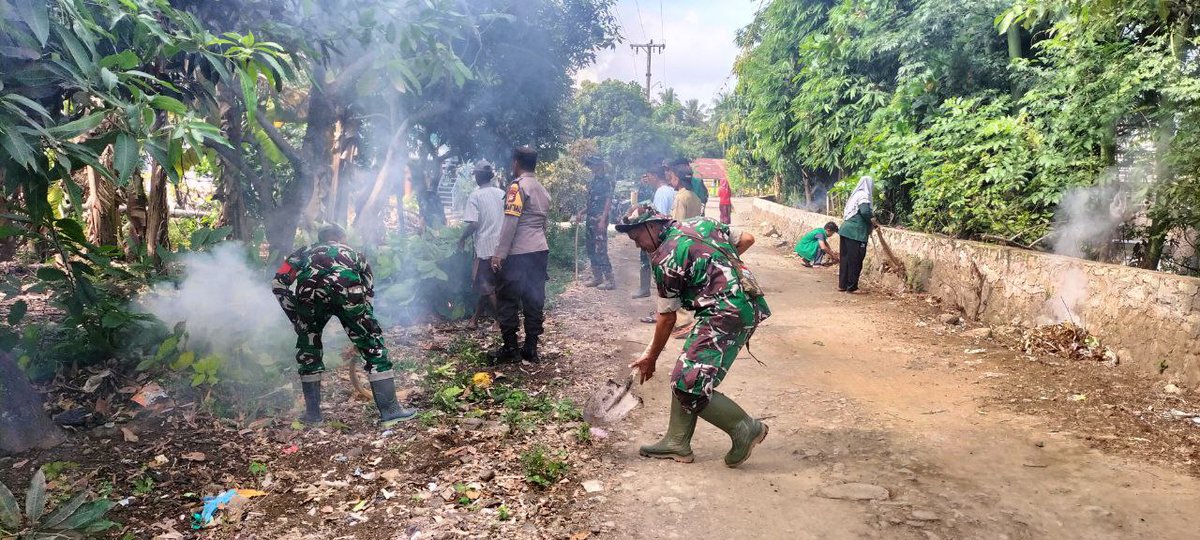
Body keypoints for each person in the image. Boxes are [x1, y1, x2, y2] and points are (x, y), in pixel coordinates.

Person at [616, 205, 770, 468]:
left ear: (652, 226)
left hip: (725, 314)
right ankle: (677, 441)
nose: (638, 245)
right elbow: (747, 239)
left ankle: (745, 427)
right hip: (746, 304)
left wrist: (650, 356)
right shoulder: (702, 224)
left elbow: (667, 317)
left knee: (689, 385)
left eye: (637, 237)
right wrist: (717, 273)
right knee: (687, 368)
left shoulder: (664, 258)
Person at [272, 223, 417, 425]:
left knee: (309, 353)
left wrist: (295, 316)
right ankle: (390, 412)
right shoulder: (355, 253)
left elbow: (278, 283)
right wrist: (365, 330)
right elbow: (368, 291)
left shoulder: (303, 253)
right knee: (374, 348)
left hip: (309, 297)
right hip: (348, 293)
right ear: (342, 238)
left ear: (321, 239)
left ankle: (313, 416)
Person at [491, 146, 552, 364]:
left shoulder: (517, 188)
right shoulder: (542, 190)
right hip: (539, 251)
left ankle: (510, 349)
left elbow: (510, 223)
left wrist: (499, 254)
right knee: (534, 299)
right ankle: (531, 348)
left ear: (516, 162)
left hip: (518, 253)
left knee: (508, 299)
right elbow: (544, 224)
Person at [458, 160, 505, 328]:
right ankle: (474, 320)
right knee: (490, 286)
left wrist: (462, 238)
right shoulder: (501, 193)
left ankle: (500, 321)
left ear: (478, 176)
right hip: (502, 247)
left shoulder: (475, 196)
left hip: (485, 248)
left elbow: (474, 224)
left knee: (486, 286)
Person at [579, 155, 616, 290]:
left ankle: (609, 280)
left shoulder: (607, 181)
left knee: (600, 249)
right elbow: (591, 202)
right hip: (590, 218)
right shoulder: (593, 181)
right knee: (590, 248)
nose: (591, 167)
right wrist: (581, 212)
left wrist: (603, 219)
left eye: (593, 165)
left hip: (600, 219)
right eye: (590, 165)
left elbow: (608, 201)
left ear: (600, 165)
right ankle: (597, 277)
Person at [839, 176, 876, 292]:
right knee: (856, 259)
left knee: (845, 258)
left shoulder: (855, 195)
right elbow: (865, 211)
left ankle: (843, 285)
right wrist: (873, 221)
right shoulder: (863, 196)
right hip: (856, 233)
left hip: (845, 230)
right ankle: (852, 286)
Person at [632, 168, 662, 299]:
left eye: (648, 176)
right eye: (644, 177)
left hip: (652, 229)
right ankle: (644, 288)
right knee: (644, 259)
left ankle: (656, 295)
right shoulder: (643, 188)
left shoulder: (657, 191)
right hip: (645, 225)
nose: (646, 179)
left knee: (650, 260)